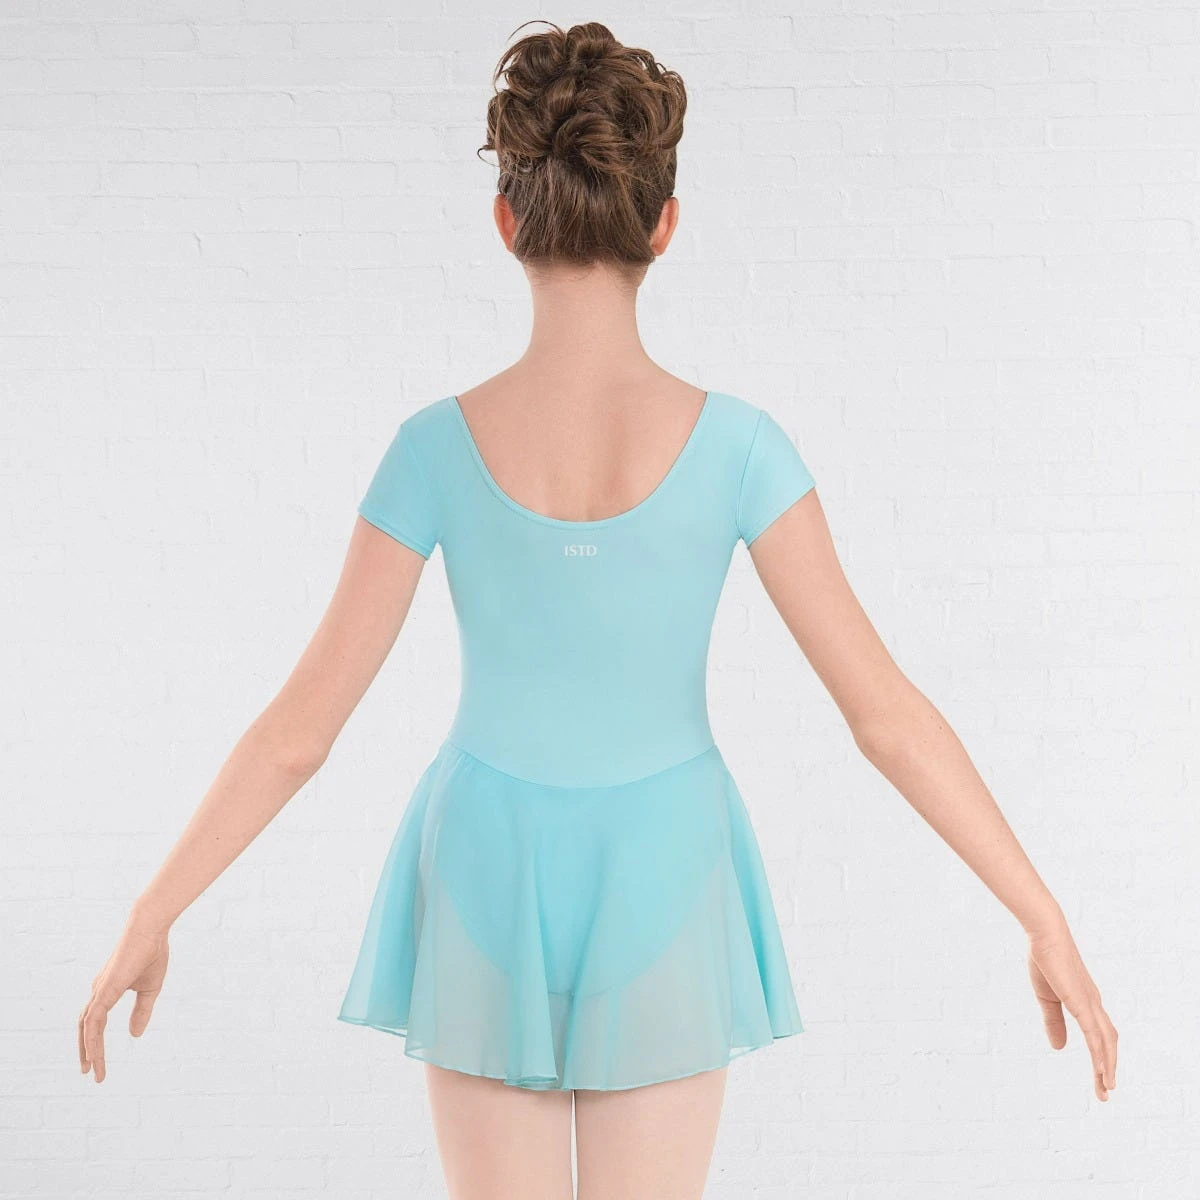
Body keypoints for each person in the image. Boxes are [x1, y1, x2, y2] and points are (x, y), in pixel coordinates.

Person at [77, 19, 1118, 1200]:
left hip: (483, 864)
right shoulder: (743, 449)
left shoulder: (430, 451)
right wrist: (1041, 913)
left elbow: (298, 734)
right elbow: (883, 714)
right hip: (668, 861)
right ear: (663, 225)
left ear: (506, 221)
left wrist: (153, 909)